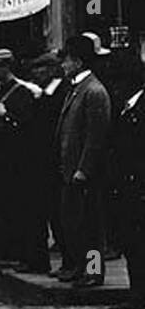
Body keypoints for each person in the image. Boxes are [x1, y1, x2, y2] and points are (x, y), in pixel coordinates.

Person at [0, 49, 47, 272]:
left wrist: (4, 115)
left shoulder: (21, 92)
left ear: (7, 68)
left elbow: (26, 126)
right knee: (8, 209)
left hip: (18, 162)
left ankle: (29, 257)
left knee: (23, 210)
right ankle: (13, 253)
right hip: (1, 160)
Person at [53, 34, 113, 287]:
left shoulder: (93, 91)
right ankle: (79, 267)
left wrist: (84, 169)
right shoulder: (77, 88)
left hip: (84, 173)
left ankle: (93, 272)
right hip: (70, 170)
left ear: (77, 61)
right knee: (75, 223)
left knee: (91, 227)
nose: (63, 66)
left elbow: (96, 137)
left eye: (66, 60)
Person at [107, 57, 145, 309]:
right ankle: (136, 296)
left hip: (139, 184)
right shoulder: (128, 106)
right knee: (132, 244)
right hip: (127, 184)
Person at [27, 51, 67, 269]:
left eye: (41, 69)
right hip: (41, 163)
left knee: (62, 214)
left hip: (56, 162)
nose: (36, 73)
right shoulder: (41, 95)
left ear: (52, 70)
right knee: (47, 210)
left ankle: (83, 265)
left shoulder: (61, 93)